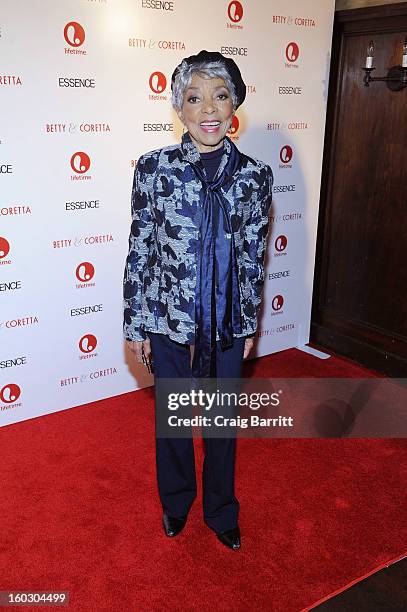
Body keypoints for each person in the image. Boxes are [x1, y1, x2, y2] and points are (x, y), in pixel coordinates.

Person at [123, 50, 273, 551]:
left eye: (220, 95)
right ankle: (176, 502)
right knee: (173, 419)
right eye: (194, 98)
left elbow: (253, 256)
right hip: (168, 320)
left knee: (221, 423)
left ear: (235, 106)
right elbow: (141, 248)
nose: (208, 108)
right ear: (180, 110)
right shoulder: (154, 169)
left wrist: (249, 323)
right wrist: (138, 324)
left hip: (227, 322)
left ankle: (221, 510)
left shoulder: (254, 176)